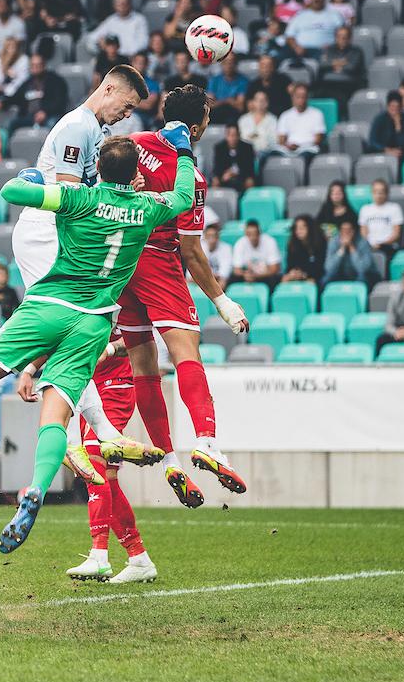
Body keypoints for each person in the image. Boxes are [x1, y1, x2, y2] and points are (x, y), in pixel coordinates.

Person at [0, 128, 198, 554]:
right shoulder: (147, 208)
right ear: (136, 172)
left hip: (46, 306)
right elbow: (183, 197)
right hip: (93, 322)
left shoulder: (79, 198)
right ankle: (36, 490)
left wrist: (37, 178)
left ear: (96, 169)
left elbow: (11, 191)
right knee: (55, 417)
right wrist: (186, 152)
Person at [8, 64, 158, 482]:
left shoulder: (96, 131)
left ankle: (95, 433)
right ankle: (77, 437)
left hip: (57, 234)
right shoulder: (78, 127)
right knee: (72, 328)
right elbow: (72, 194)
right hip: (45, 233)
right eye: (126, 105)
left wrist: (123, 188)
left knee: (78, 330)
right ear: (108, 88)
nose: (126, 115)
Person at [121, 88, 251, 506]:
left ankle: (168, 461)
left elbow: (94, 182)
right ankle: (207, 442)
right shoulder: (190, 177)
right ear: (194, 129)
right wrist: (223, 302)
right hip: (159, 264)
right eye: (207, 121)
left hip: (120, 264)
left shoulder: (131, 146)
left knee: (144, 366)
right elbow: (192, 252)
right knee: (185, 355)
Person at [64, 335, 158, 583]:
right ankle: (139, 558)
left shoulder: (111, 296)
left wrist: (110, 347)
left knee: (94, 468)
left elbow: (138, 337)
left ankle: (99, 555)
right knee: (107, 479)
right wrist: (29, 370)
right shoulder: (72, 299)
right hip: (87, 390)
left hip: (114, 387)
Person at [1, 53, 70, 131]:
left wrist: (45, 112)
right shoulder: (28, 83)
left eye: (38, 65)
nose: (35, 68)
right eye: (33, 65)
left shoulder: (55, 80)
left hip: (49, 116)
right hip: (29, 117)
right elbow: (17, 98)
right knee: (10, 124)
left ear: (44, 65)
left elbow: (60, 102)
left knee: (52, 124)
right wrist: (3, 103)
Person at [278, 0, 344, 62]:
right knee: (281, 54)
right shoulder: (300, 15)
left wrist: (333, 46)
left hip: (325, 51)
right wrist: (296, 47)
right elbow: (289, 36)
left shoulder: (335, 15)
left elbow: (344, 35)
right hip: (301, 51)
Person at [84, 0, 148, 55]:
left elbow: (143, 43)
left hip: (133, 58)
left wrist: (124, 53)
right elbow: (91, 38)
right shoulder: (111, 20)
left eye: (123, 4)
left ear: (129, 4)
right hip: (115, 59)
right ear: (114, 6)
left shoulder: (139, 19)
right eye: (118, 5)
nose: (121, 7)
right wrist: (101, 44)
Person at [316, 24, 364, 110]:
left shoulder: (356, 51)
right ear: (335, 37)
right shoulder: (329, 49)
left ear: (350, 38)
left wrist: (332, 64)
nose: (342, 39)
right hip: (328, 84)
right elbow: (322, 65)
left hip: (348, 84)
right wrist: (340, 63)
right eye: (339, 36)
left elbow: (352, 67)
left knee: (340, 98)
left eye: (345, 37)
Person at [276, 82, 325, 159]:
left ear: (307, 97)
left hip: (308, 150)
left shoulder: (317, 114)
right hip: (288, 150)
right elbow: (281, 140)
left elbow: (318, 140)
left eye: (303, 96)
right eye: (298, 96)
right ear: (292, 97)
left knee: (304, 156)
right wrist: (289, 146)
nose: (301, 100)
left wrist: (301, 146)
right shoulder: (285, 115)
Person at [322, 219, 376, 287]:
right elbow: (328, 268)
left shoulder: (363, 242)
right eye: (343, 230)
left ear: (354, 231)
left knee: (362, 278)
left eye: (349, 230)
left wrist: (351, 247)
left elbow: (362, 269)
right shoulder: (334, 241)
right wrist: (342, 249)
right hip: (342, 274)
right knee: (326, 279)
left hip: (362, 274)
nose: (346, 233)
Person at [231, 218, 283, 288]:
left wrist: (257, 276)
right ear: (246, 233)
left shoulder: (270, 241)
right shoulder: (240, 243)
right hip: (247, 276)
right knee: (233, 279)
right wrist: (245, 275)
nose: (253, 237)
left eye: (255, 234)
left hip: (265, 276)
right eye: (249, 234)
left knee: (274, 279)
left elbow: (275, 268)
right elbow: (236, 269)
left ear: (259, 233)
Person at [358, 179, 403, 256]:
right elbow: (363, 232)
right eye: (375, 192)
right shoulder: (365, 209)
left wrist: (382, 244)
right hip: (369, 245)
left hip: (388, 245)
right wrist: (371, 244)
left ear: (386, 193)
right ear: (372, 193)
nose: (378, 195)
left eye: (381, 192)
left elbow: (396, 233)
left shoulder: (394, 208)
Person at [366, 91, 404, 158]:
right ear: (387, 106)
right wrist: (386, 150)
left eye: (397, 107)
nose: (395, 110)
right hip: (382, 151)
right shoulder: (379, 119)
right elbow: (372, 141)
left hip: (401, 153)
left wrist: (398, 126)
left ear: (401, 107)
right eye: (392, 106)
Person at [211, 123, 256, 192]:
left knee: (250, 181)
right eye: (230, 135)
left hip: (242, 176)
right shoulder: (219, 148)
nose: (233, 138)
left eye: (235, 135)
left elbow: (250, 168)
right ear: (226, 136)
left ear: (239, 135)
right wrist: (223, 175)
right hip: (225, 176)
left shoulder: (247, 148)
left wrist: (236, 173)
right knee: (215, 181)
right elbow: (217, 167)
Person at [283, 215, 326, 284]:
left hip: (316, 277)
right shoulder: (292, 245)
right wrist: (293, 273)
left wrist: (304, 275)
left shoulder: (320, 243)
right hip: (298, 276)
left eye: (302, 228)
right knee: (284, 280)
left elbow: (320, 267)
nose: (298, 231)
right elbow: (290, 266)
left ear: (310, 228)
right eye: (296, 228)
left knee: (311, 282)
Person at [207, 52, 248, 125]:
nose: (229, 65)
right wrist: (228, 101)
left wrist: (220, 102)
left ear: (236, 64)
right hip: (216, 115)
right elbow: (210, 105)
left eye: (231, 62)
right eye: (226, 62)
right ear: (222, 64)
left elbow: (240, 107)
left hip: (234, 116)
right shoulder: (214, 80)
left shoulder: (243, 81)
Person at [238, 90, 279, 157]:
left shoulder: (273, 120)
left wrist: (253, 136)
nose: (260, 103)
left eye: (262, 101)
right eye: (257, 100)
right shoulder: (243, 119)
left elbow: (273, 141)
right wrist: (259, 136)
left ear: (267, 103)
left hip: (266, 154)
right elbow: (242, 138)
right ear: (253, 102)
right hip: (245, 154)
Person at [201, 223, 233, 289]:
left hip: (218, 280)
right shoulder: (199, 247)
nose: (211, 239)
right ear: (204, 236)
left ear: (218, 236)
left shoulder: (226, 248)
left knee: (222, 282)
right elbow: (191, 275)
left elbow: (224, 274)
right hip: (201, 279)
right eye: (209, 236)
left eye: (213, 236)